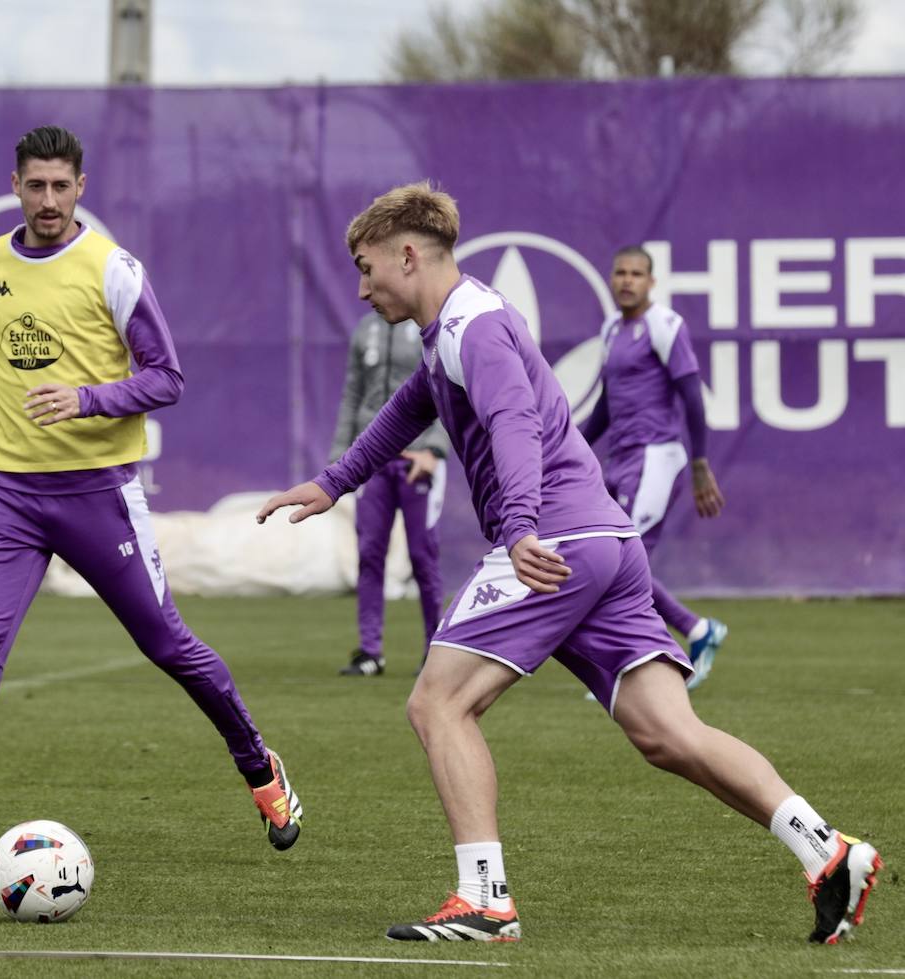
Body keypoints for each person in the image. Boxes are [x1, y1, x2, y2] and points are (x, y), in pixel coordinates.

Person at [258, 183, 881, 945]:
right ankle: (828, 849)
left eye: (366, 267)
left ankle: (485, 898)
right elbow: (408, 409)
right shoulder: (454, 324)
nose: (361, 287)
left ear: (408, 254)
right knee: (669, 734)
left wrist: (519, 528)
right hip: (605, 543)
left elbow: (515, 423)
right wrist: (333, 482)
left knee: (436, 703)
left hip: (556, 542)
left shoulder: (474, 327)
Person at [0, 126, 302, 870]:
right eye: (35, 186)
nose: (47, 200)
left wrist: (89, 398)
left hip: (99, 494)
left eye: (61, 187)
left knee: (167, 645)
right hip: (8, 495)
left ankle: (260, 765)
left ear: (81, 188)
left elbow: (167, 377)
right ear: (15, 185)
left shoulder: (111, 268)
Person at [581, 247, 727, 689]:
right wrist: (573, 447)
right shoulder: (611, 329)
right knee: (610, 560)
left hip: (656, 458)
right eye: (620, 272)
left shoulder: (665, 325)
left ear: (652, 281)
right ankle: (692, 633)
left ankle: (678, 642)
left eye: (637, 274)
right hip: (620, 460)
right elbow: (607, 404)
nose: (627, 281)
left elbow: (693, 397)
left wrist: (700, 463)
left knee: (623, 562)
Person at [330, 311, 449, 676]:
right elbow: (353, 393)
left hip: (417, 457)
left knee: (421, 557)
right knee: (369, 552)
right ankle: (370, 652)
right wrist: (340, 457)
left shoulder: (431, 325)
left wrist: (435, 449)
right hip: (372, 460)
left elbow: (450, 389)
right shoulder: (364, 328)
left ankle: (436, 651)